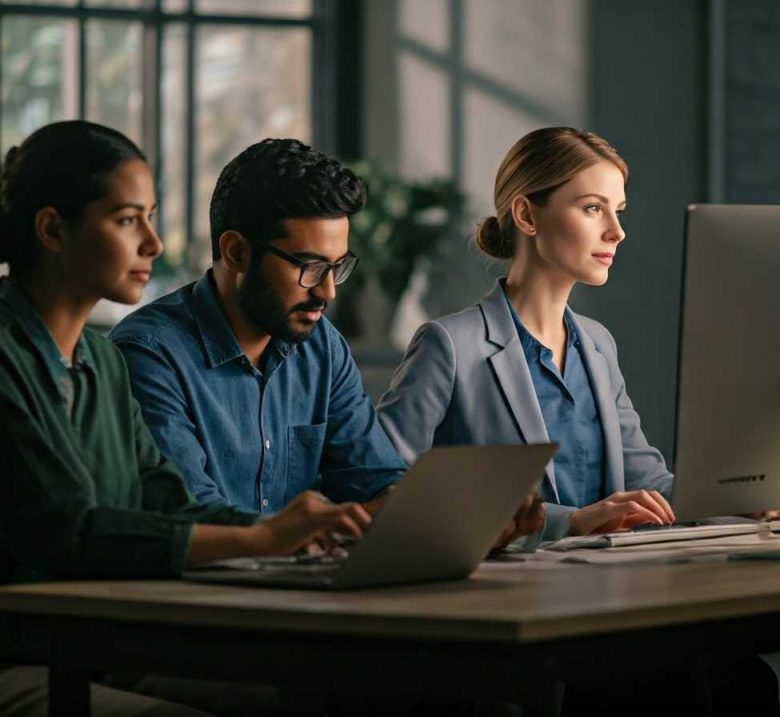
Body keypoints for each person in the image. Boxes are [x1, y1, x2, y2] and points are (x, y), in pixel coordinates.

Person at [0, 121, 370, 715]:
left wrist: (300, 533)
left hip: (95, 644)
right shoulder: (20, 356)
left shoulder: (99, 359)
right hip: (29, 655)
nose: (154, 242)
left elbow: (169, 498)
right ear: (52, 230)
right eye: (127, 220)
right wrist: (263, 536)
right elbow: (70, 531)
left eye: (150, 217)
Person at [377, 127, 676, 542]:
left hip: (609, 585)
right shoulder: (450, 346)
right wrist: (566, 522)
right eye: (593, 208)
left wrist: (744, 503)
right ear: (527, 215)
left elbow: (647, 481)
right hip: (503, 594)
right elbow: (384, 486)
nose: (616, 231)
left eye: (618, 211)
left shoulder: (597, 344)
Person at [109, 138, 407, 515]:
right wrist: (293, 533)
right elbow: (185, 513)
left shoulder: (323, 347)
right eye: (309, 267)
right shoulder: (149, 353)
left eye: (337, 267)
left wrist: (418, 511)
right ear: (236, 252)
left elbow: (375, 478)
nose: (328, 291)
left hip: (302, 571)